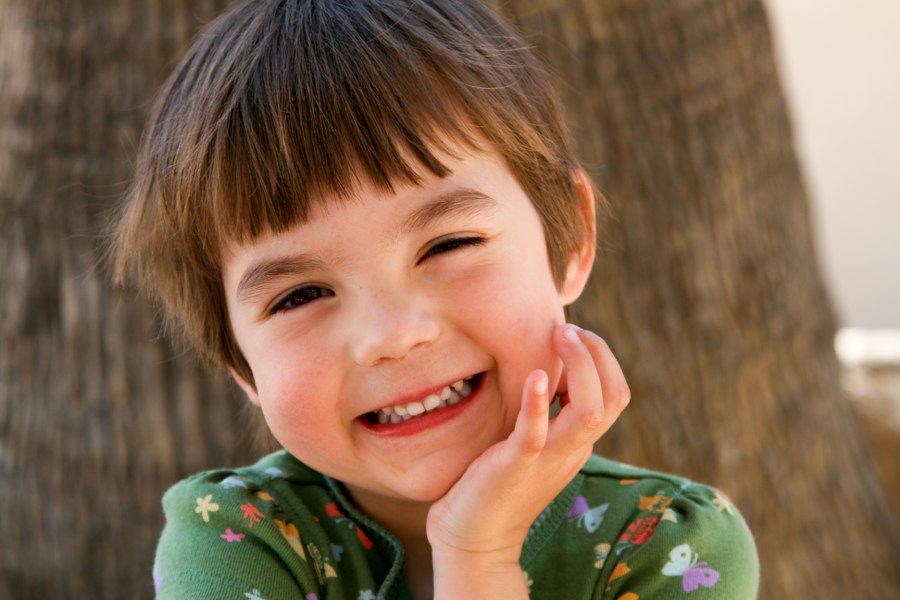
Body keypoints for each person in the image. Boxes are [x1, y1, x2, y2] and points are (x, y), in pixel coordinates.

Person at [111, 0, 760, 597]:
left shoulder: (668, 545)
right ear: (240, 364)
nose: (392, 335)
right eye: (301, 294)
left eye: (446, 245)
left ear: (570, 239)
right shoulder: (235, 541)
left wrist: (480, 554)